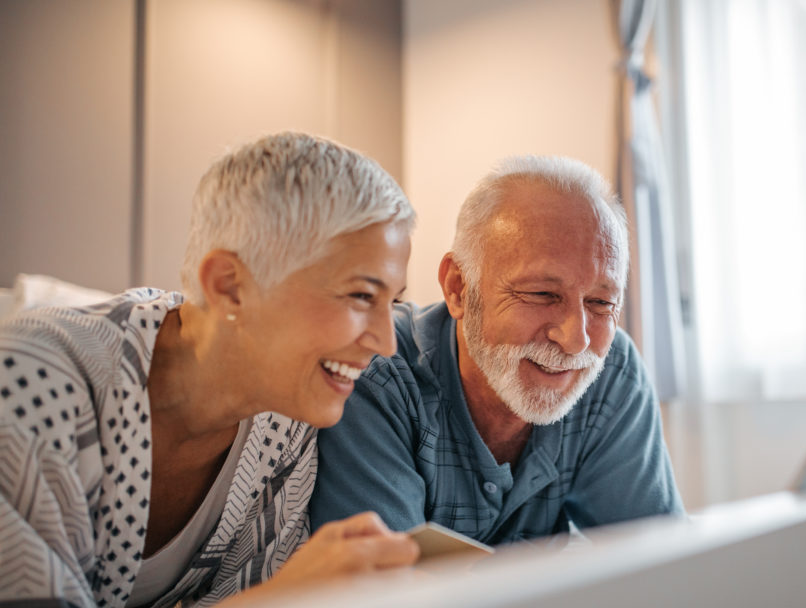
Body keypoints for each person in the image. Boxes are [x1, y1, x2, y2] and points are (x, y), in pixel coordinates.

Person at [0, 132, 420, 608]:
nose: (386, 343)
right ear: (230, 285)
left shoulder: (286, 425)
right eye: (361, 296)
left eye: (394, 301)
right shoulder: (28, 380)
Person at [311, 155, 684, 546]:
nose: (577, 341)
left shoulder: (613, 371)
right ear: (458, 288)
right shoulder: (377, 373)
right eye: (542, 294)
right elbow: (383, 591)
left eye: (600, 304)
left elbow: (661, 559)